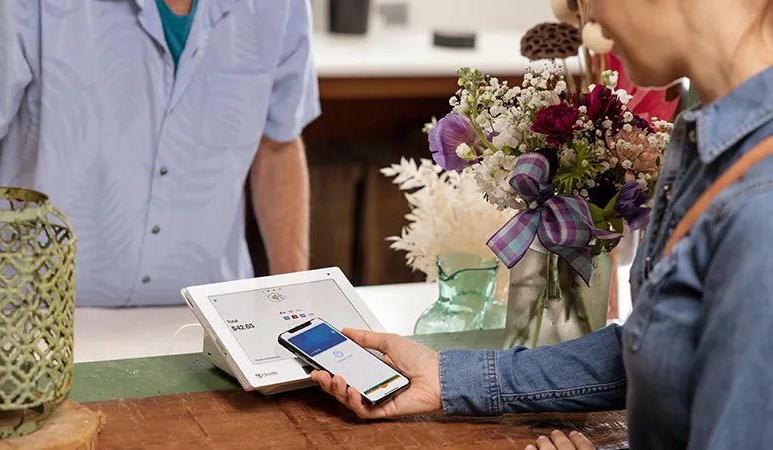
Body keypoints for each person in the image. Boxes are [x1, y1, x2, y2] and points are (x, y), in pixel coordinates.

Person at [311, 0, 773, 448]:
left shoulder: (759, 209)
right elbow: (658, 347)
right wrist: (449, 377)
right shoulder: (709, 141)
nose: (589, 19)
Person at [0, 0, 319, 306]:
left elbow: (279, 144)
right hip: (32, 315)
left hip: (206, 319)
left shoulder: (280, 6)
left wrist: (294, 311)